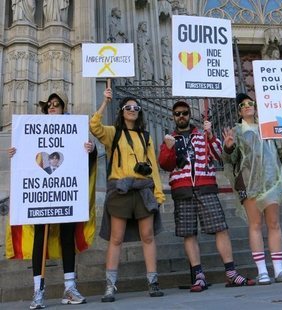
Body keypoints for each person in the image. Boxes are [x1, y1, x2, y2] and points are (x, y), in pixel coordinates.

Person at [7, 92, 97, 309]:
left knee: (67, 236)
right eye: (49, 105)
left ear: (64, 107)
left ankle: (69, 288)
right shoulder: (32, 133)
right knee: (41, 237)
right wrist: (15, 152)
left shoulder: (74, 131)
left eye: (57, 104)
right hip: (42, 197)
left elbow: (84, 161)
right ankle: (38, 291)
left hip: (65, 195)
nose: (52, 108)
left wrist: (91, 150)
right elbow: (27, 160)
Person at [158, 101, 255, 292]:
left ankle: (231, 273)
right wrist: (169, 148)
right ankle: (198, 275)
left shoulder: (202, 135)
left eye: (185, 113)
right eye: (177, 113)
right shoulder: (169, 139)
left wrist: (211, 136)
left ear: (189, 114)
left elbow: (219, 155)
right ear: (173, 117)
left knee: (220, 229)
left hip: (205, 186)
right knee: (189, 233)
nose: (181, 116)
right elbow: (165, 165)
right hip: (182, 189)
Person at [90, 88, 165, 302]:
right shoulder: (114, 133)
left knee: (148, 236)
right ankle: (110, 286)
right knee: (116, 238)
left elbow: (153, 166)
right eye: (128, 108)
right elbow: (94, 126)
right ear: (122, 111)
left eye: (135, 108)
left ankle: (153, 281)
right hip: (121, 189)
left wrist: (158, 193)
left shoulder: (146, 137)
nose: (132, 111)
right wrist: (105, 102)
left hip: (143, 189)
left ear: (139, 112)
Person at [222, 93, 282, 285]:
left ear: (256, 107)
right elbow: (231, 161)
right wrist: (229, 148)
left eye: (250, 103)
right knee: (255, 225)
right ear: (239, 111)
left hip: (271, 182)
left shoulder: (268, 128)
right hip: (249, 183)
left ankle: (279, 270)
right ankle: (262, 271)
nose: (247, 106)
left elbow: (278, 157)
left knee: (274, 224)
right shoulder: (237, 131)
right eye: (243, 105)